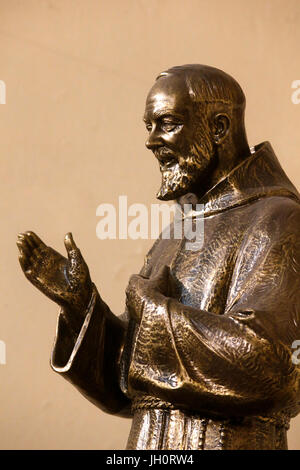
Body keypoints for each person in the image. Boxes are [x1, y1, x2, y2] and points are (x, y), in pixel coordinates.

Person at [17, 65, 300, 450]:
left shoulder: (280, 219)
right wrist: (83, 308)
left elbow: (276, 365)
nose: (152, 141)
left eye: (167, 123)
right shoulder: (179, 231)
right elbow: (133, 383)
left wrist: (153, 312)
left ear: (218, 127)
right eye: (148, 126)